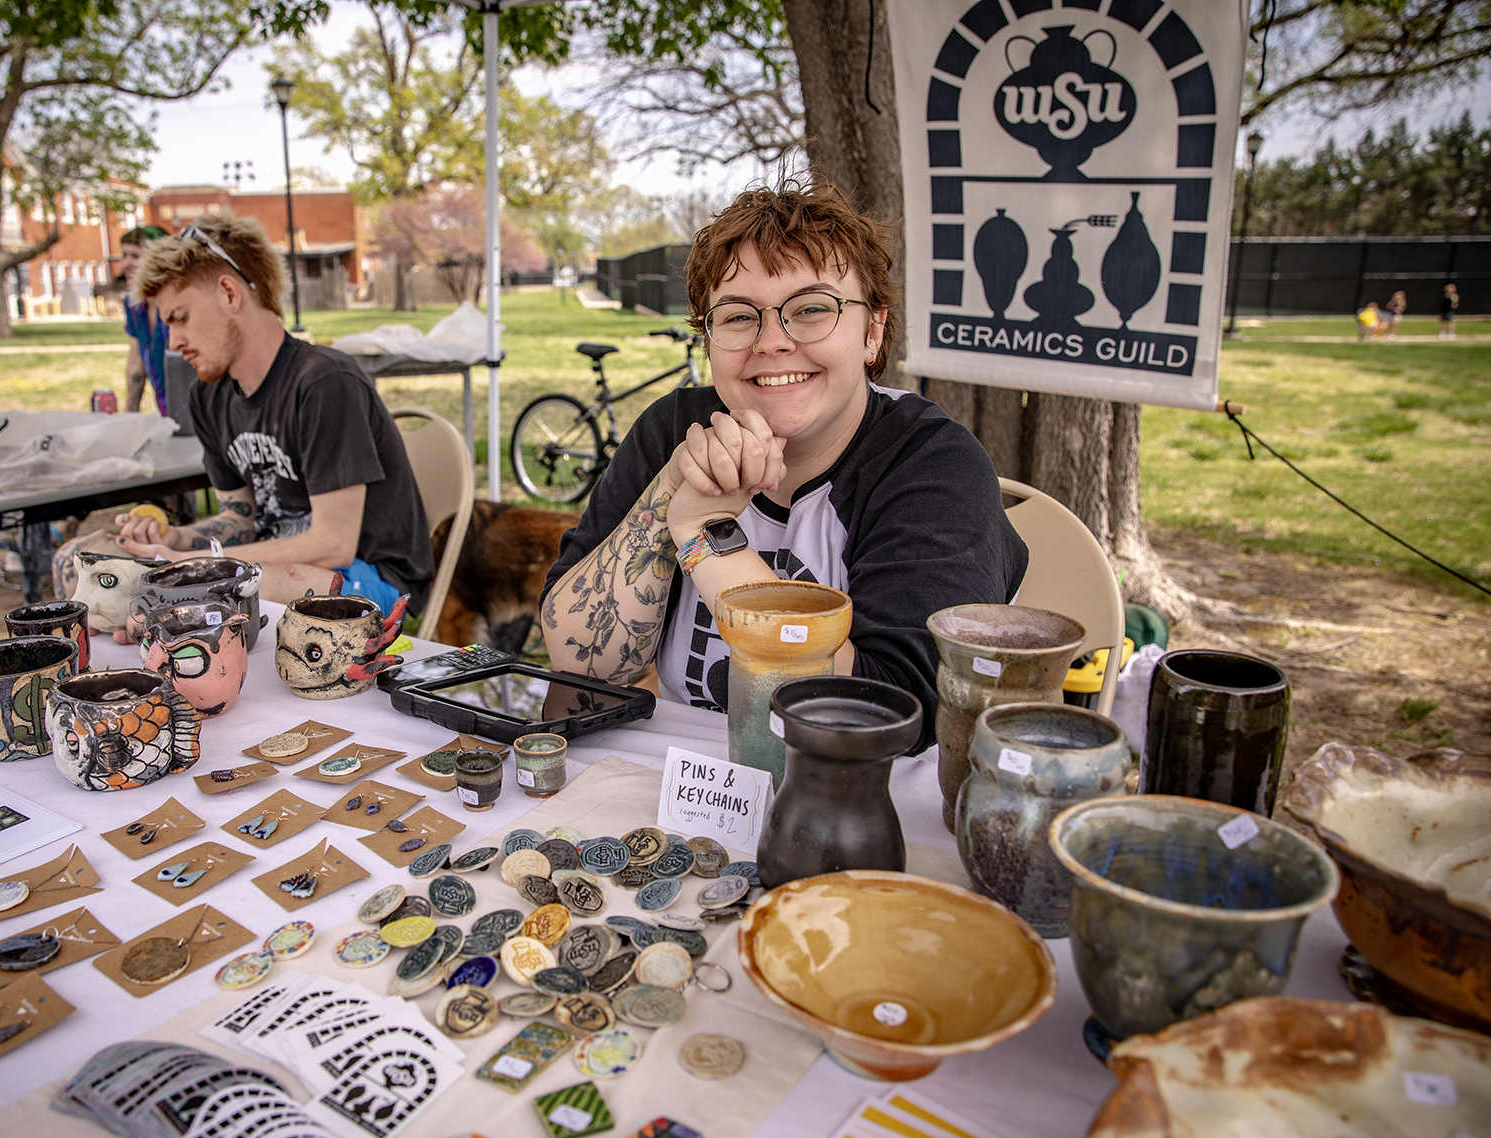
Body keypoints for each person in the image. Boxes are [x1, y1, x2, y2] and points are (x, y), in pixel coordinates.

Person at [541, 182, 1026, 750]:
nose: (771, 341)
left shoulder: (932, 466)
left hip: (863, 791)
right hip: (692, 785)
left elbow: (895, 712)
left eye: (812, 309)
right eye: (738, 316)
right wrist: (669, 489)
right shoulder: (674, 432)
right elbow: (584, 665)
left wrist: (704, 536)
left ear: (872, 333)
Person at [115, 212, 433, 613]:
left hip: (369, 577)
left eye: (180, 318)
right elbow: (239, 517)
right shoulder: (208, 396)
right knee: (107, 568)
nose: (174, 342)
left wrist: (198, 564)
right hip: (277, 566)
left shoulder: (325, 382)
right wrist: (177, 540)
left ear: (229, 294)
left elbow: (334, 543)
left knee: (199, 590)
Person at [118, 224, 170, 414]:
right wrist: (130, 414)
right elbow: (136, 364)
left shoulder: (179, 303)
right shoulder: (134, 304)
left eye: (135, 256)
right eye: (124, 255)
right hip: (165, 412)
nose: (126, 263)